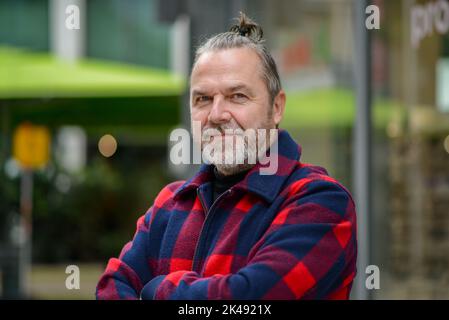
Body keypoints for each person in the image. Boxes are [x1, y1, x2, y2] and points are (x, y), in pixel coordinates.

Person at [96, 12, 357, 300]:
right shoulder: (170, 204)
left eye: (237, 96)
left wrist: (158, 289)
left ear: (277, 107)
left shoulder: (319, 202)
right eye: (203, 99)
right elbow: (111, 287)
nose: (217, 115)